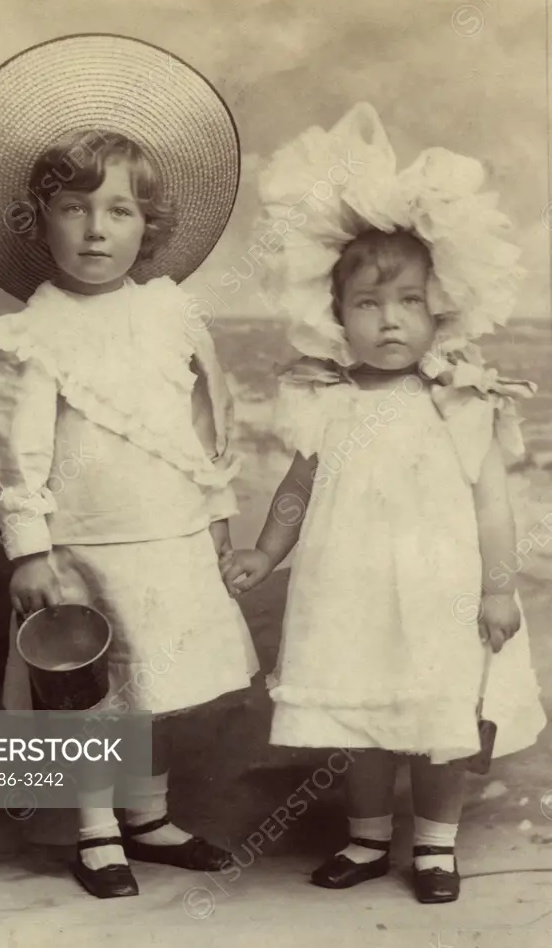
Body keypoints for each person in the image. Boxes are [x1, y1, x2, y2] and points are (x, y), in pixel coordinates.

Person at [0, 34, 258, 900]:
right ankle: (93, 832)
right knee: (87, 685)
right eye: (75, 210)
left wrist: (217, 519)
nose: (95, 229)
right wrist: (30, 550)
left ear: (147, 227)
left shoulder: (171, 317)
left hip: (168, 532)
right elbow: (17, 453)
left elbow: (206, 425)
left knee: (154, 683)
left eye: (117, 211)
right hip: (85, 543)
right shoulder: (32, 337)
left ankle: (148, 816)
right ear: (38, 222)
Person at [222, 103, 546, 904]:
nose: (389, 320)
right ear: (334, 315)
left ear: (440, 307)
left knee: (442, 721)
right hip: (348, 591)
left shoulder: (462, 400)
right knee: (360, 719)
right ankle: (366, 838)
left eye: (407, 302)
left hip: (441, 594)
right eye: (367, 305)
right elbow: (298, 487)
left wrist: (498, 586)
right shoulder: (324, 397)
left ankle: (435, 845)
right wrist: (266, 551)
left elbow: (491, 508)